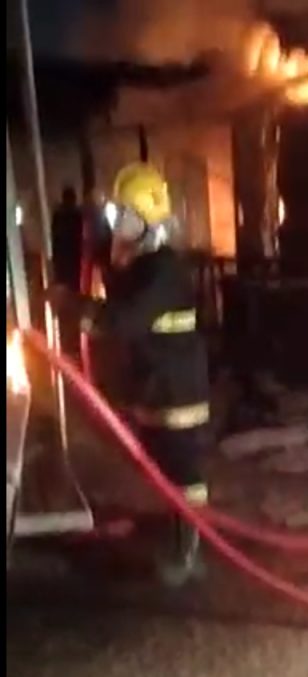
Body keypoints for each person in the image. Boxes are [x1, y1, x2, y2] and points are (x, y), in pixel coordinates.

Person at [80, 163, 210, 585]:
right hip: (156, 387)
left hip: (176, 393)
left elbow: (123, 320)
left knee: (183, 475)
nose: (119, 221)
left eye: (125, 213)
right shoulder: (143, 263)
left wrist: (75, 307)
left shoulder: (163, 269)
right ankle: (179, 543)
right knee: (165, 472)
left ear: (145, 219)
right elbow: (119, 284)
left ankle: (188, 554)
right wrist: (97, 232)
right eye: (116, 213)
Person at [51, 185, 83, 292]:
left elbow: (54, 237)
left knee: (63, 285)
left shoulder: (58, 215)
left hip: (62, 256)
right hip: (73, 255)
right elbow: (80, 235)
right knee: (74, 285)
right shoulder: (76, 215)